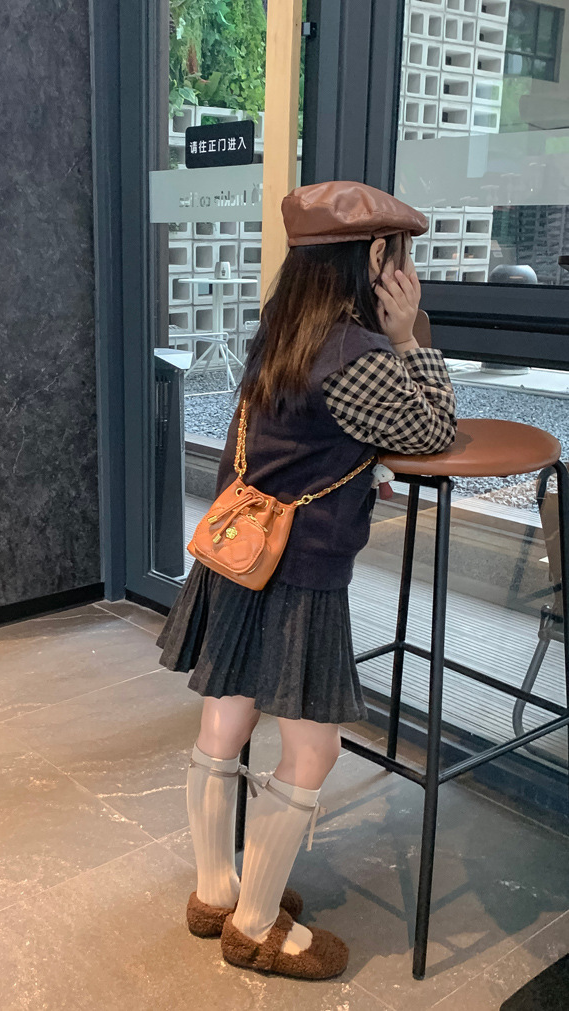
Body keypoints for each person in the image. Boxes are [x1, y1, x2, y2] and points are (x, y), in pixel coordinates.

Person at [157, 181, 457, 980]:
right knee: (315, 748)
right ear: (373, 254)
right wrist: (409, 337)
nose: (404, 269)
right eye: (398, 254)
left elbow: (301, 440)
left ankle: (216, 893)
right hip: (299, 572)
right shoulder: (357, 352)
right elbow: (433, 430)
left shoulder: (283, 328)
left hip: (240, 553)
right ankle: (255, 926)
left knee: (226, 718)